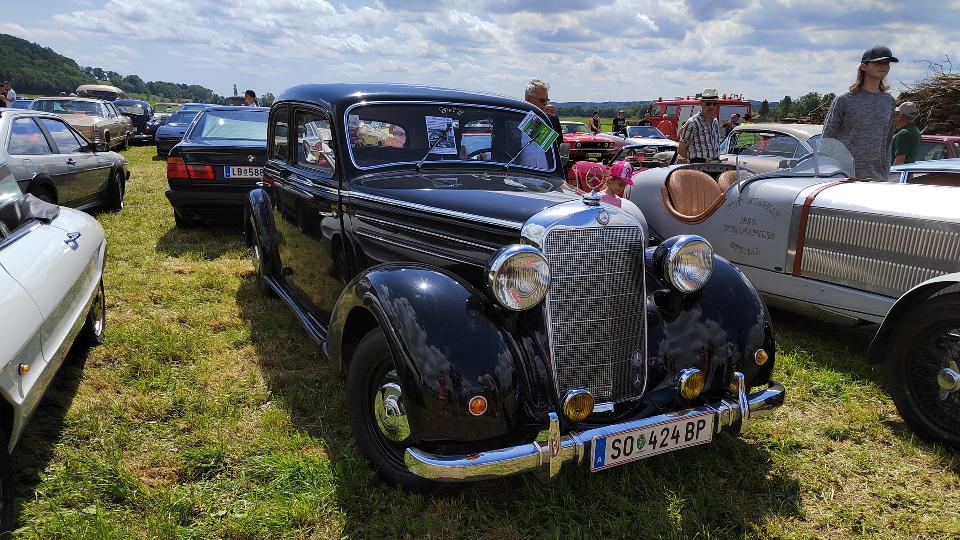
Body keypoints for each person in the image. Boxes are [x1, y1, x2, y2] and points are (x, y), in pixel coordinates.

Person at [823, 45, 898, 180]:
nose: (884, 66)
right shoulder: (844, 100)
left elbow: (888, 141)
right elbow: (827, 139)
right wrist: (829, 173)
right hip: (844, 177)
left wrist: (885, 172)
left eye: (887, 62)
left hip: (876, 178)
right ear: (863, 66)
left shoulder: (889, 102)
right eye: (878, 62)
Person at [677, 88, 722, 162]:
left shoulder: (715, 122)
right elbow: (681, 150)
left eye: (714, 104)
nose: (712, 106)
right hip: (699, 165)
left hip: (716, 164)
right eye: (708, 104)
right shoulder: (692, 122)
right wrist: (694, 163)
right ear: (701, 103)